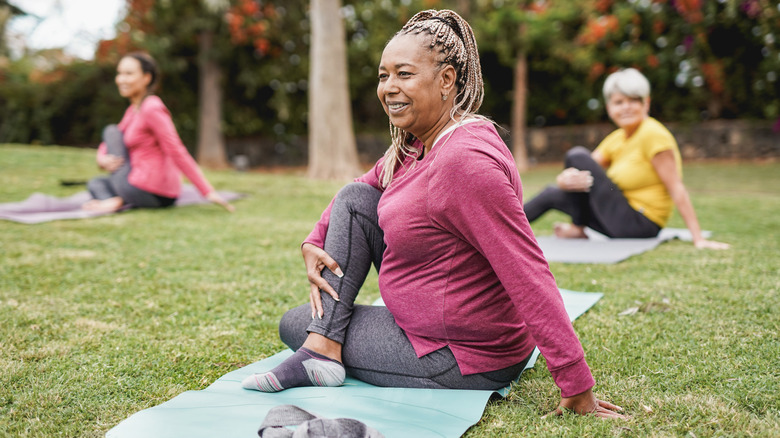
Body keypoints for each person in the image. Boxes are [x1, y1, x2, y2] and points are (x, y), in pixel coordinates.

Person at [242, 10, 626, 419]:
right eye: (383, 75)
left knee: (294, 322)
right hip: (433, 329)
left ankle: (321, 347)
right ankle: (323, 347)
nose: (389, 87)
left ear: (446, 80)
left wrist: (576, 384)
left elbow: (526, 269)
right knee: (356, 200)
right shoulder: (418, 144)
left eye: (404, 74)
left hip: (461, 355)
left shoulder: (464, 162)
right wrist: (313, 239)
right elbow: (361, 188)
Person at [524, 68, 728, 249]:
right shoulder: (618, 138)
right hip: (616, 218)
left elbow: (676, 187)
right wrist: (564, 180)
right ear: (609, 107)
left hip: (640, 223)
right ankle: (499, 233)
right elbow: (583, 169)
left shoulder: (653, 134)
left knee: (576, 154)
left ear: (646, 103)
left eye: (633, 100)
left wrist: (698, 239)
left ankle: (578, 228)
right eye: (619, 102)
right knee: (552, 193)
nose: (626, 107)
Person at [82, 52, 233, 213]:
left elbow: (176, 149)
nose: (121, 79)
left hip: (151, 190)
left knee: (111, 130)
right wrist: (101, 159)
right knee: (96, 183)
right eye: (119, 73)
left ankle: (118, 200)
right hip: (140, 186)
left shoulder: (151, 107)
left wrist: (207, 191)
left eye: (129, 73)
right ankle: (118, 200)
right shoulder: (133, 110)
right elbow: (112, 139)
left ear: (146, 78)